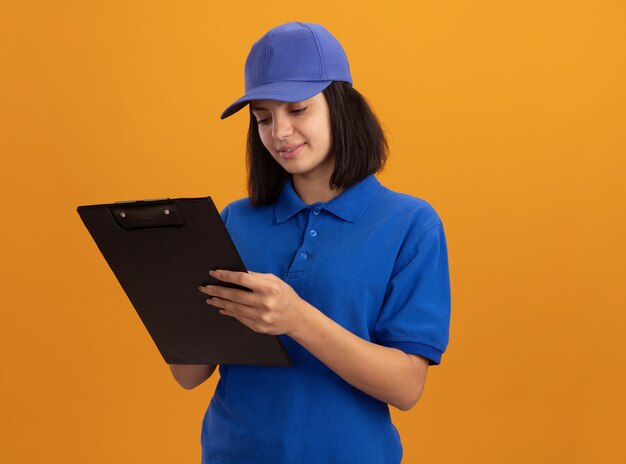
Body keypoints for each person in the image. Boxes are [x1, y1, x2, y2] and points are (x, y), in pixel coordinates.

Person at [169, 22, 451, 463]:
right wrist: (162, 290)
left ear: (341, 107)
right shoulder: (234, 219)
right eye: (263, 117)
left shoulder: (411, 224)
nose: (279, 132)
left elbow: (407, 387)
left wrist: (296, 317)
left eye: (297, 109)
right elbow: (188, 375)